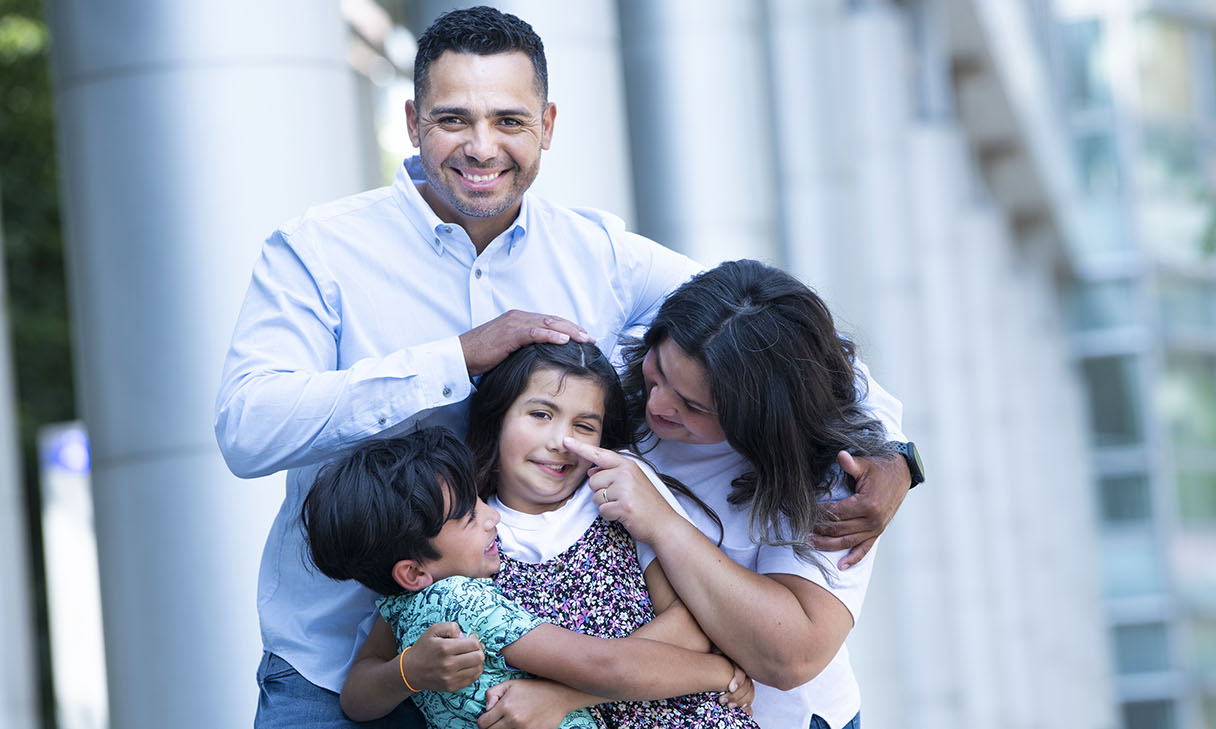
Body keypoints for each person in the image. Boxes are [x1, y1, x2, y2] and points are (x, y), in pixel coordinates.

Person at [214, 7, 912, 727]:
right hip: (340, 662)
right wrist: (456, 358)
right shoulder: (319, 250)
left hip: (533, 669)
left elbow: (771, 337)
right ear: (412, 119)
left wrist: (894, 456)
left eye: (510, 121)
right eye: (453, 119)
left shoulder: (598, 256)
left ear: (548, 124)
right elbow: (247, 427)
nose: (482, 147)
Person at [555, 260, 921, 729]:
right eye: (659, 371)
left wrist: (662, 522)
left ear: (761, 416)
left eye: (693, 405)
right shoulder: (620, 376)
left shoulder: (834, 473)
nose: (658, 404)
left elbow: (793, 653)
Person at [343, 340, 757, 729]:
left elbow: (692, 625)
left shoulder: (616, 493)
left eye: (584, 425)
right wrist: (408, 672)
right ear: (499, 415)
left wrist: (561, 696)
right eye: (541, 414)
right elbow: (358, 694)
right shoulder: (455, 535)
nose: (562, 441)